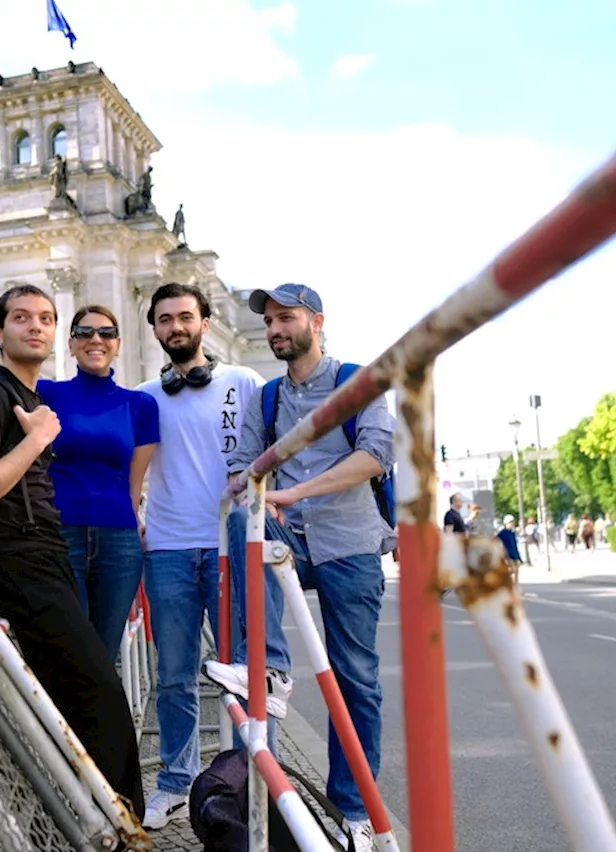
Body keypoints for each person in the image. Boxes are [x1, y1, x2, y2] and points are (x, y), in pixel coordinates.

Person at [207, 283, 395, 850]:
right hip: (288, 535)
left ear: (317, 321)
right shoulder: (266, 399)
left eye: (285, 318)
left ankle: (353, 811)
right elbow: (242, 466)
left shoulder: (357, 382)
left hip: (349, 541)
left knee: (355, 677)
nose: (274, 329)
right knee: (245, 519)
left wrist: (293, 492)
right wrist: (250, 484)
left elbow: (375, 455)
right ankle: (272, 669)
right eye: (268, 321)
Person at [0, 284, 145, 819]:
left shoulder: (32, 398)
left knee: (70, 692)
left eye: (45, 318)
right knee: (99, 690)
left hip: (45, 552)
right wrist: (37, 440)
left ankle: (65, 815)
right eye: (20, 317)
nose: (34, 326)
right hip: (18, 559)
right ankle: (116, 820)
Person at [135, 282, 262, 830]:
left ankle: (251, 779)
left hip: (229, 549)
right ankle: (175, 782)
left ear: (205, 323)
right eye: (165, 320)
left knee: (244, 673)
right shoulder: (144, 396)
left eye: (185, 316)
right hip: (166, 549)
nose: (176, 327)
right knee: (174, 676)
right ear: (156, 330)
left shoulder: (244, 382)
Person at [37, 305, 160, 661]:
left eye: (106, 333)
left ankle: (99, 719)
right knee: (69, 647)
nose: (96, 340)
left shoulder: (140, 405)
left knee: (104, 653)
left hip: (119, 542)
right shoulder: (47, 394)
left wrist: (133, 520)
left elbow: (134, 485)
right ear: (71, 344)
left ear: (118, 345)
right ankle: (60, 719)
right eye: (85, 333)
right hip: (61, 534)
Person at [498, 514, 524, 584]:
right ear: (505, 523)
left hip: (514, 555)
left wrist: (519, 557)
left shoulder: (512, 533)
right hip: (507, 555)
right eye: (510, 522)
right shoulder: (502, 533)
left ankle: (515, 587)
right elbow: (499, 544)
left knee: (516, 572)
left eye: (513, 522)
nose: (512, 523)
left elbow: (515, 546)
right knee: (511, 571)